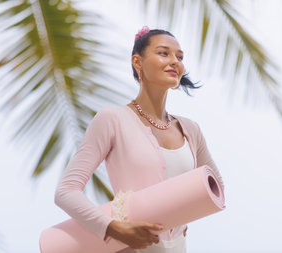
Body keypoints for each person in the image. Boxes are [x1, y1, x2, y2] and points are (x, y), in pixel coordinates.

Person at [54, 26, 224, 253]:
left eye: (180, 57)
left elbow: (216, 189)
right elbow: (66, 191)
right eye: (164, 53)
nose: (175, 61)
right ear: (138, 62)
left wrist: (182, 214)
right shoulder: (113, 119)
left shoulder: (191, 130)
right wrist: (113, 228)